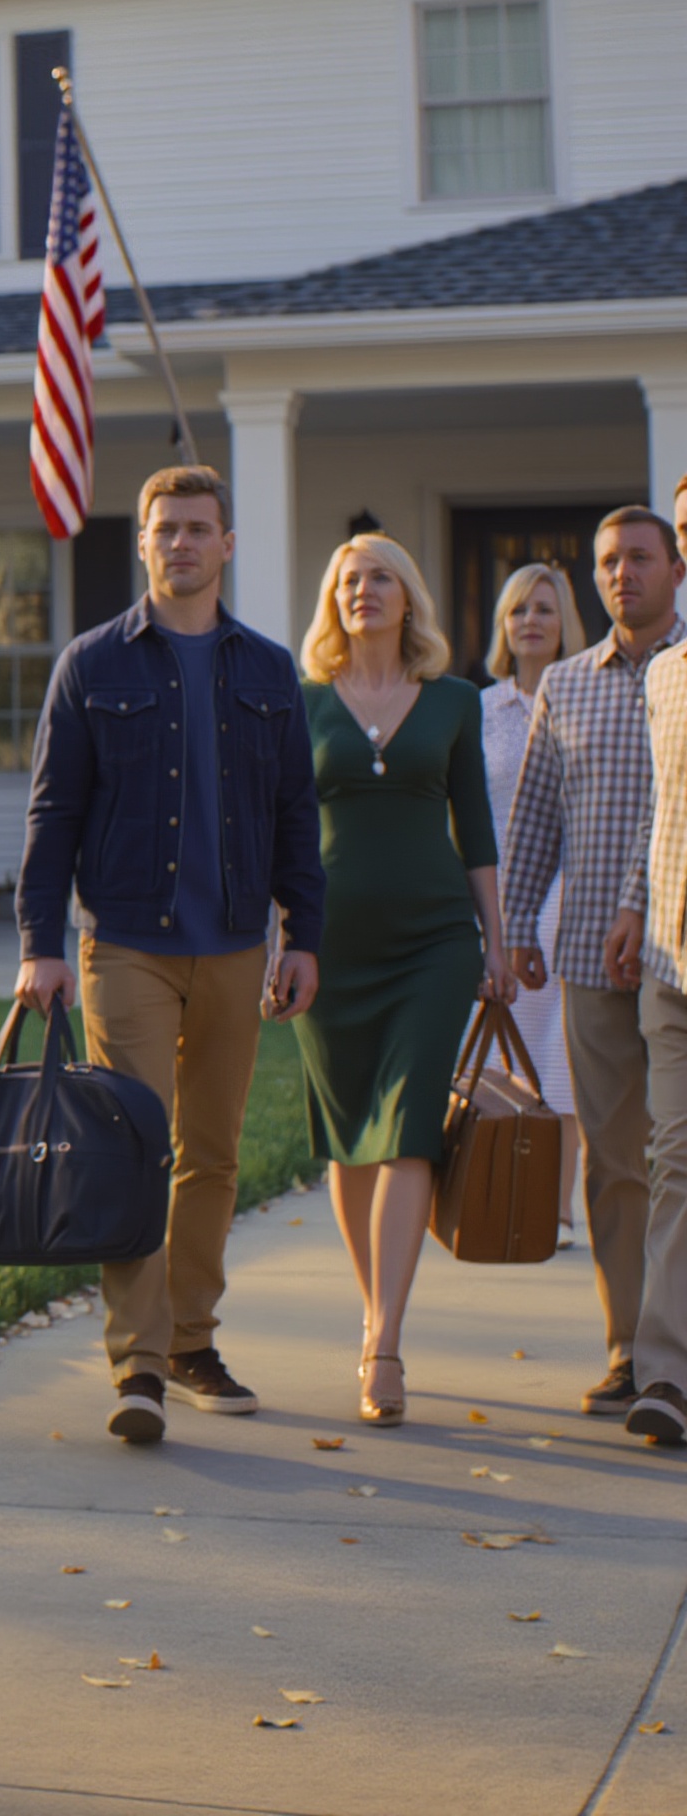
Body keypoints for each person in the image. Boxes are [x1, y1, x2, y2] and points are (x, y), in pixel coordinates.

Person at [17, 464, 324, 1447]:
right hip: (125, 945)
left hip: (235, 942)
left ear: (226, 543)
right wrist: (39, 944)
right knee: (134, 1147)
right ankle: (137, 1361)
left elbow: (292, 815)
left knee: (213, 1155)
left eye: (198, 527)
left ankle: (191, 1338)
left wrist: (301, 932)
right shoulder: (91, 664)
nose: (181, 542)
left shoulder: (269, 671)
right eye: (165, 528)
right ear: (143, 542)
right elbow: (51, 809)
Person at [294, 534, 514, 1427]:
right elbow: (284, 832)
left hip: (434, 943)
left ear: (408, 594)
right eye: (348, 581)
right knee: (352, 1139)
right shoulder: (300, 704)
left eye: (380, 576)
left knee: (411, 1132)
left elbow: (480, 834)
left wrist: (496, 945)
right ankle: (375, 1310)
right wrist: (283, 937)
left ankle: (385, 1345)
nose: (363, 591)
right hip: (333, 945)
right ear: (333, 601)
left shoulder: (455, 700)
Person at [504, 507, 686, 1418]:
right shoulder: (566, 687)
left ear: (676, 569)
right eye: (609, 561)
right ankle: (630, 1348)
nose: (622, 574)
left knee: (678, 1157)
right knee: (614, 1161)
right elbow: (535, 812)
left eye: (640, 558)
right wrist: (517, 926)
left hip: (674, 948)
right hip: (586, 955)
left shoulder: (684, 674)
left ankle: (671, 1350)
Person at [604, 478, 687, 1448]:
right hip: (671, 955)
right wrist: (632, 901)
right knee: (671, 1161)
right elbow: (659, 809)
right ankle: (661, 1370)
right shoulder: (664, 674)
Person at [480, 563, 586, 1248]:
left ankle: (560, 1206)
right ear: (504, 626)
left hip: (565, 896)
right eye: (518, 610)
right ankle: (491, 1192)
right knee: (492, 1051)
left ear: (563, 621)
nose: (531, 621)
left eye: (544, 609)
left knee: (559, 1058)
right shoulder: (478, 708)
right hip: (492, 897)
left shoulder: (584, 695)